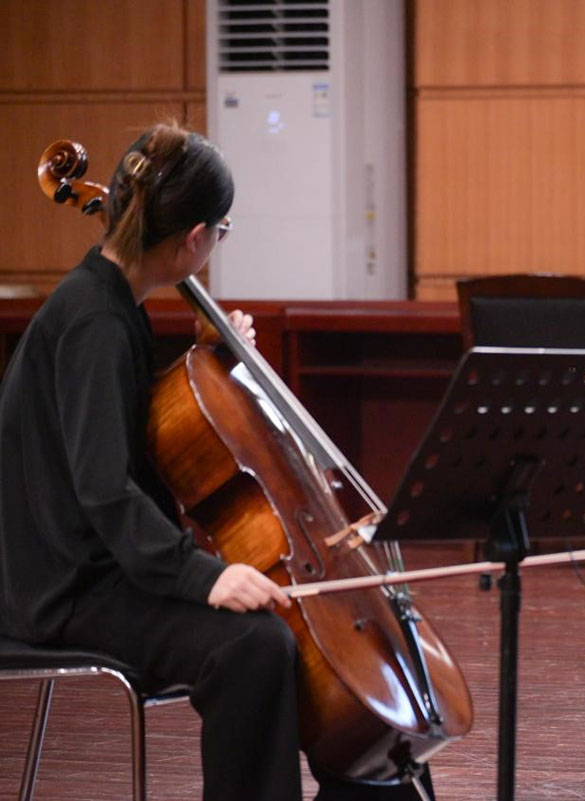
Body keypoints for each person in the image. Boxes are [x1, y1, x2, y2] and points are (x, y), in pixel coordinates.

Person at [0, 122, 434, 801]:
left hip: (98, 568)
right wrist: (203, 576)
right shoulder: (95, 322)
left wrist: (209, 357)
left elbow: (129, 431)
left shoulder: (109, 304)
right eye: (222, 231)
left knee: (270, 633)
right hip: (65, 589)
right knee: (253, 645)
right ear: (196, 238)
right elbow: (104, 490)